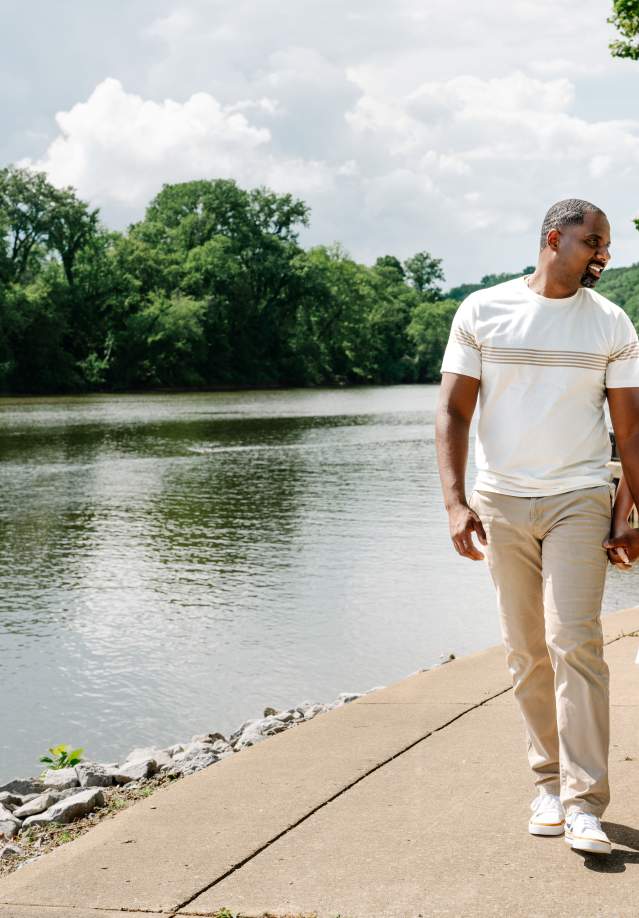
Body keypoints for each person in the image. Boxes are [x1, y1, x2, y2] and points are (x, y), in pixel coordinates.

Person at [435, 199, 639, 857]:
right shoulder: (481, 311)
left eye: (604, 245)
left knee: (573, 640)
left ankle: (585, 802)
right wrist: (454, 502)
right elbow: (452, 414)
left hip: (579, 497)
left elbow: (630, 430)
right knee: (524, 648)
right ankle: (547, 786)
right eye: (593, 242)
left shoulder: (610, 323)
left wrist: (629, 513)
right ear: (553, 238)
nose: (602, 255)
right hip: (501, 503)